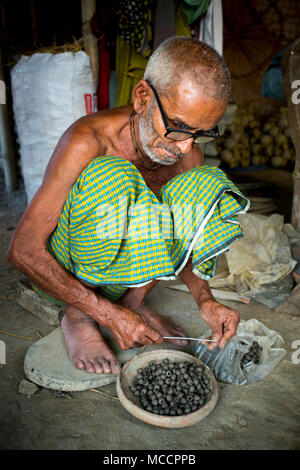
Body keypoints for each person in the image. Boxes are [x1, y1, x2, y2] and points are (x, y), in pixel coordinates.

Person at [7, 37, 248, 375]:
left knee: (203, 183)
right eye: (178, 127)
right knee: (113, 177)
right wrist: (106, 314)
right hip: (67, 271)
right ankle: (78, 318)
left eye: (201, 133)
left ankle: (134, 302)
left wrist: (204, 299)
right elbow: (22, 251)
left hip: (127, 275)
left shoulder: (185, 151)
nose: (186, 146)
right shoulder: (89, 140)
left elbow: (188, 232)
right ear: (142, 97)